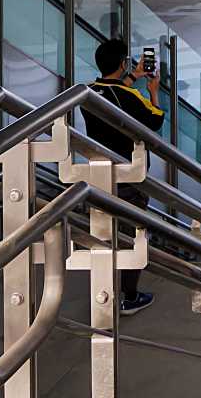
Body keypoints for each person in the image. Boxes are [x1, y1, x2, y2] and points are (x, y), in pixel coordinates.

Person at [81, 38, 166, 316]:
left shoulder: (89, 93)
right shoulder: (131, 97)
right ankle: (128, 297)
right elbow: (154, 122)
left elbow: (114, 93)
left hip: (100, 173)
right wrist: (153, 91)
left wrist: (133, 76)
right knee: (133, 234)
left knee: (105, 234)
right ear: (122, 63)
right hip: (128, 176)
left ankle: (103, 291)